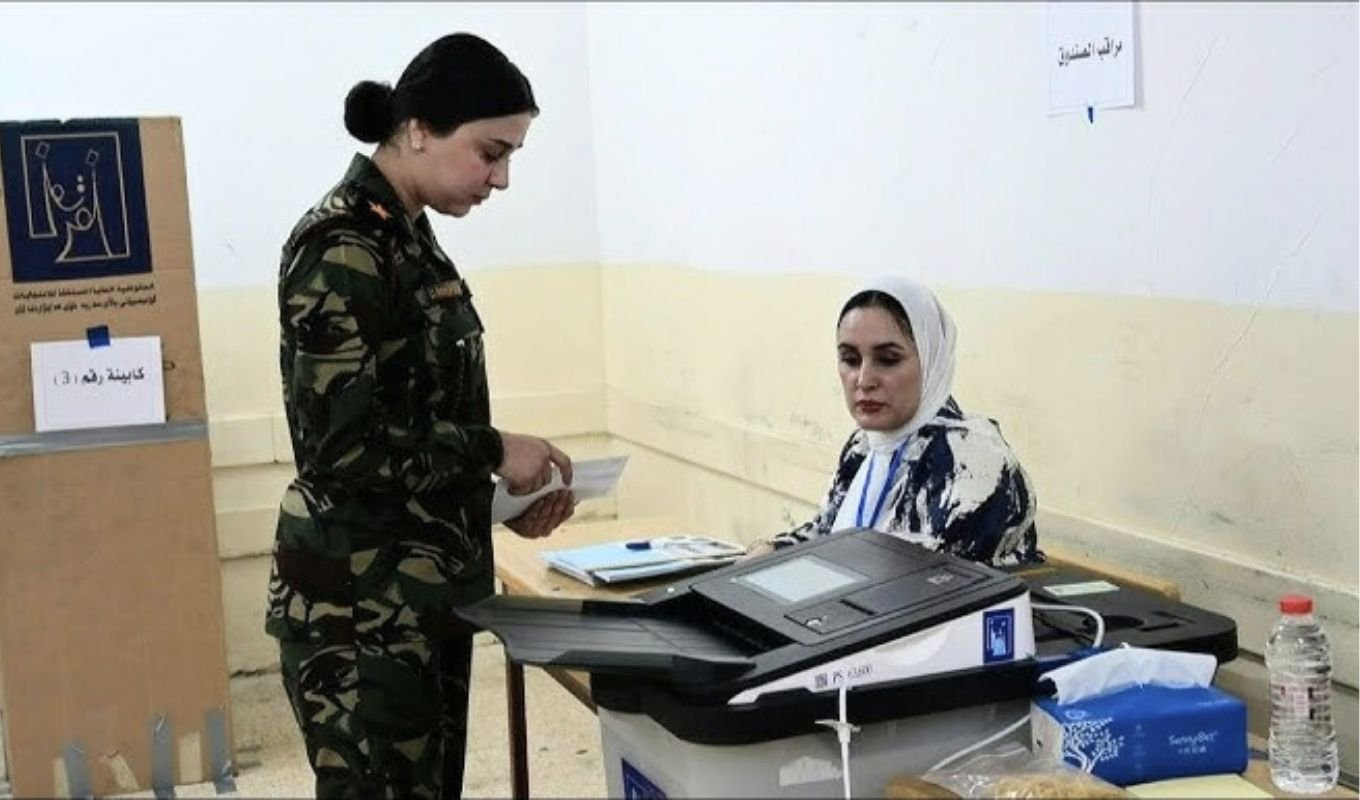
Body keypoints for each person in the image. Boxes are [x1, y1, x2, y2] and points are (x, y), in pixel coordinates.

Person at [264, 32, 576, 800]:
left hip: (417, 598)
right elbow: (342, 449)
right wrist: (492, 450)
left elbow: (412, 419)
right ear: (417, 130)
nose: (501, 178)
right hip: (361, 612)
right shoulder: (343, 245)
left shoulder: (407, 236)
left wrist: (500, 501)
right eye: (489, 153)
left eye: (510, 157)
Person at [748, 277, 1041, 566]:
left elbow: (916, 581)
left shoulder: (969, 458)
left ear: (931, 361)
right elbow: (827, 531)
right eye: (850, 359)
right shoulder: (864, 445)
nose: (864, 380)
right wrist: (772, 551)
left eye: (888, 360)